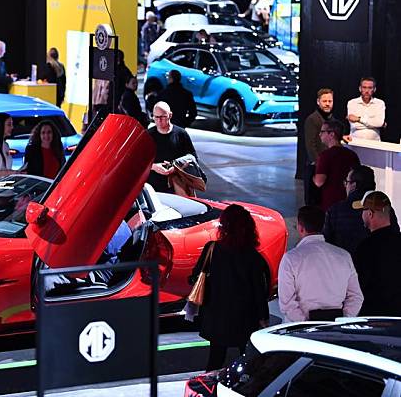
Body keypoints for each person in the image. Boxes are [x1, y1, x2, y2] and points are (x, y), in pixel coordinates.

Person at [189, 204, 269, 371]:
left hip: (216, 316)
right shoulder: (254, 257)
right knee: (248, 362)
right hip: (245, 319)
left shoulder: (212, 249)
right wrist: (263, 318)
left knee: (215, 360)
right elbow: (259, 292)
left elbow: (194, 277)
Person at [278, 206, 363, 322]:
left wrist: (306, 324)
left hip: (298, 333)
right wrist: (342, 320)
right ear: (323, 226)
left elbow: (286, 304)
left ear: (300, 227)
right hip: (335, 330)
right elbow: (356, 297)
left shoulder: (291, 259)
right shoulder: (344, 256)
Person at [353, 191, 401, 316]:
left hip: (374, 315)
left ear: (370, 214)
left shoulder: (365, 248)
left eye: (362, 210)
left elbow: (358, 285)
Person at [147, 101, 198, 193]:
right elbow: (138, 161)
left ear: (170, 115)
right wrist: (153, 166)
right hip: (153, 186)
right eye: (156, 117)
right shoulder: (148, 135)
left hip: (177, 185)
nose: (159, 120)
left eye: (162, 117)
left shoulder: (181, 134)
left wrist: (176, 167)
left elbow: (193, 157)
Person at [313, 119, 360, 211]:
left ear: (332, 134)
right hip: (349, 202)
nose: (320, 134)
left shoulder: (325, 155)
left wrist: (313, 176)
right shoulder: (352, 154)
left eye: (322, 132)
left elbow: (319, 182)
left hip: (331, 203)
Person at [303, 88, 335, 206]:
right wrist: (319, 166)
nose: (327, 104)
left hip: (328, 167)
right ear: (318, 102)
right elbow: (310, 145)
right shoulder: (312, 119)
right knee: (313, 202)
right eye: (324, 101)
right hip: (315, 167)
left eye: (330, 101)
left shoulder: (332, 119)